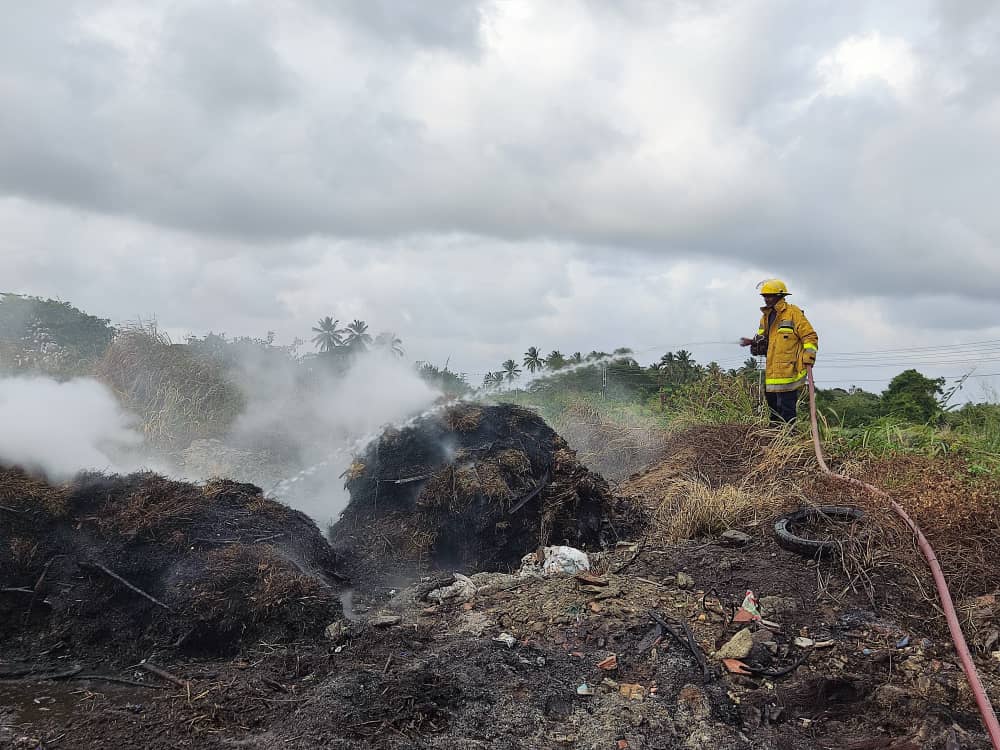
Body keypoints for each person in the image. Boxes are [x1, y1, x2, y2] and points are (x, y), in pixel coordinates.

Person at [739, 279, 818, 423]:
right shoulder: (766, 317)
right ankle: (775, 440)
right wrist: (754, 343)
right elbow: (764, 340)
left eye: (770, 296)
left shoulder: (793, 313)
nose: (766, 299)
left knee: (787, 411)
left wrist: (809, 355)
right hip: (772, 373)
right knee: (774, 413)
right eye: (764, 296)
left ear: (780, 296)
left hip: (789, 372)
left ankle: (789, 439)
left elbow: (809, 336)